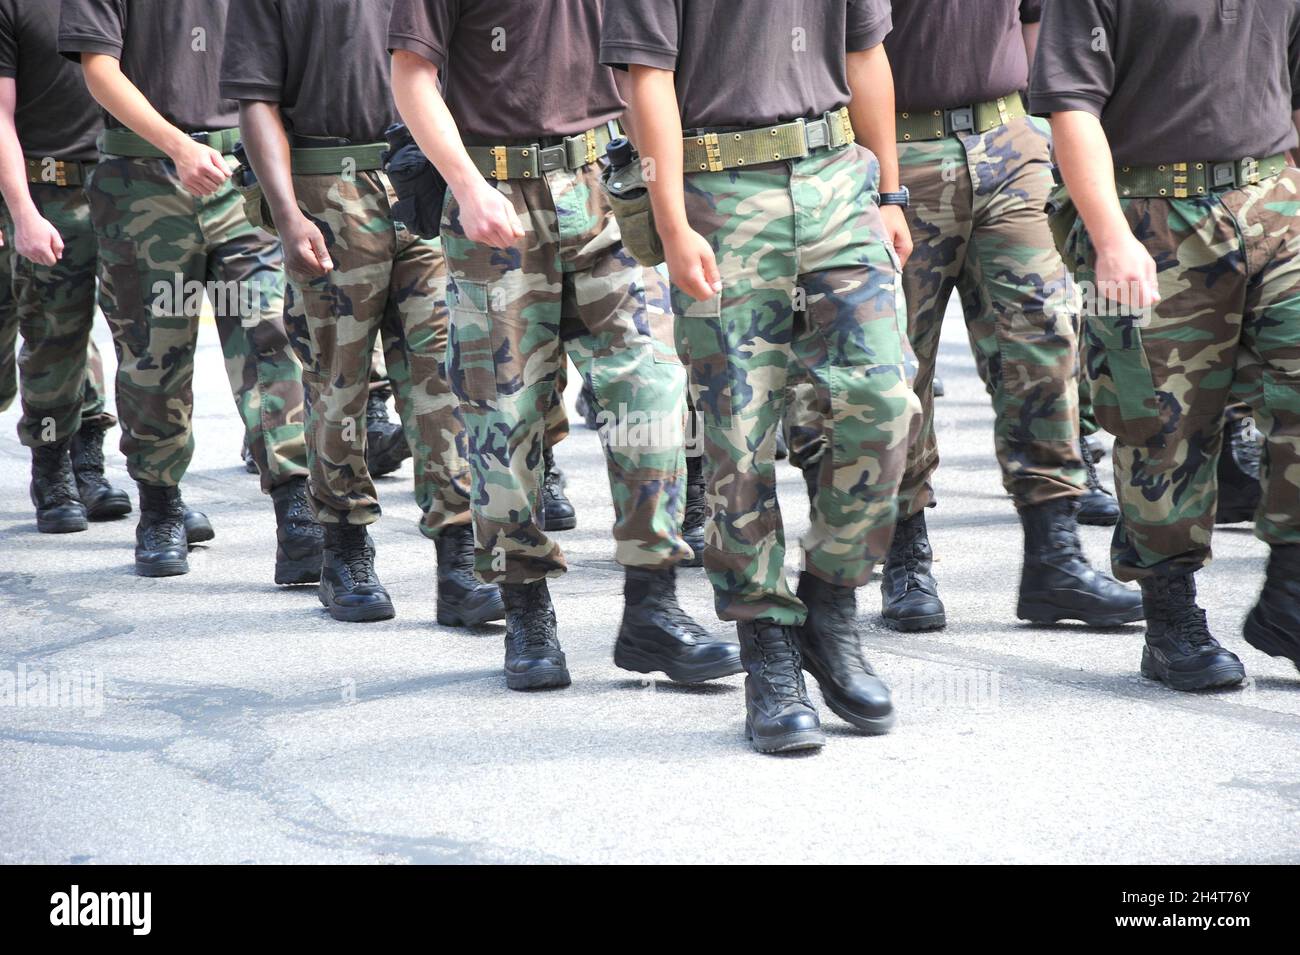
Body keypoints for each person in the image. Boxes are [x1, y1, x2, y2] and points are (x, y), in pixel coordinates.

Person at [389, 0, 738, 690]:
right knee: (503, 415)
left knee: (652, 387)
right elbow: (412, 74)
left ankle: (653, 603)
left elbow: (646, 71)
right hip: (495, 200)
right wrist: (465, 185)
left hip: (602, 190)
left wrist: (668, 205)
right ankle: (526, 607)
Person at [604, 0, 921, 753]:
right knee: (738, 435)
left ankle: (830, 603)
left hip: (838, 181)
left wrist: (889, 193)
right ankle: (768, 649)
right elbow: (645, 75)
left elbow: (864, 50)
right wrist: (673, 221)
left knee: (882, 397)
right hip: (722, 187)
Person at [1033, 0, 1300, 688]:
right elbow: (1072, 107)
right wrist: (1110, 238)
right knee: (1161, 424)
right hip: (1153, 216)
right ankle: (1171, 616)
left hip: (1275, 199)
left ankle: (1292, 593)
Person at [221, 0, 502, 626]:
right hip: (328, 189)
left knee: (444, 380)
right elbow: (256, 103)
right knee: (339, 382)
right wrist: (288, 214)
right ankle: (344, 550)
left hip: (426, 180)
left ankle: (458, 559)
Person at [869, 0, 1141, 633]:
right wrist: (880, 183)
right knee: (902, 360)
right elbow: (852, 47)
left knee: (1044, 341)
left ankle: (1056, 556)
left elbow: (1039, 23)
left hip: (1010, 142)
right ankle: (906, 552)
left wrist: (1044, 137)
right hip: (900, 153)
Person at [58, 0, 319, 581]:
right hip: (143, 183)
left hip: (245, 176)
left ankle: (297, 511)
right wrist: (178, 145)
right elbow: (99, 70)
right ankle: (160, 505)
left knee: (270, 336)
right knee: (154, 355)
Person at [0, 0, 130, 534]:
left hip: (126, 184)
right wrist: (21, 211)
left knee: (134, 337)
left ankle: (83, 467)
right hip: (41, 189)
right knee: (52, 332)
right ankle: (54, 464)